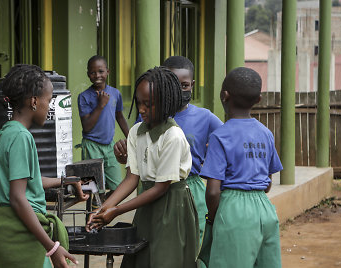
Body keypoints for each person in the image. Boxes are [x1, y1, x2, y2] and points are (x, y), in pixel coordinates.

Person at [87, 67, 199, 268]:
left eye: (148, 104)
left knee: (166, 258)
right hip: (146, 204)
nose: (141, 109)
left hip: (171, 205)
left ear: (166, 102)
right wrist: (103, 209)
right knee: (141, 258)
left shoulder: (173, 136)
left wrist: (117, 210)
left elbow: (161, 187)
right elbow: (131, 178)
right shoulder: (136, 132)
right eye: (139, 102)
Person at [0, 64, 88, 268]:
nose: (49, 107)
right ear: (34, 101)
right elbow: (18, 197)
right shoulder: (21, 137)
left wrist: (64, 181)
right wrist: (51, 247)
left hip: (7, 230)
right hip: (21, 235)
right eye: (49, 101)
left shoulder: (5, 132)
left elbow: (28, 181)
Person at [114, 56, 223, 242]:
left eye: (185, 85)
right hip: (150, 188)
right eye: (172, 84)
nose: (178, 90)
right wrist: (125, 157)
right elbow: (143, 153)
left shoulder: (205, 117)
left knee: (191, 242)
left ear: (192, 84)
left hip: (189, 186)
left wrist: (213, 160)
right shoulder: (147, 117)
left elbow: (227, 142)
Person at [199, 67, 283, 268]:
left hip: (234, 211)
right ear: (259, 100)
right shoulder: (266, 134)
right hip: (266, 210)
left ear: (224, 96)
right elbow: (268, 183)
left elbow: (212, 191)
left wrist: (213, 217)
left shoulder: (220, 136)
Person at [78, 55, 129, 196]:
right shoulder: (84, 97)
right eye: (93, 72)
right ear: (88, 75)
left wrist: (131, 138)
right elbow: (87, 127)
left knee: (118, 187)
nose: (97, 75)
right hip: (91, 146)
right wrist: (100, 105)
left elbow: (120, 117)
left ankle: (102, 208)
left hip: (109, 146)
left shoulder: (115, 93)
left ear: (108, 72)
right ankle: (94, 214)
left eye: (101, 71)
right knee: (94, 189)